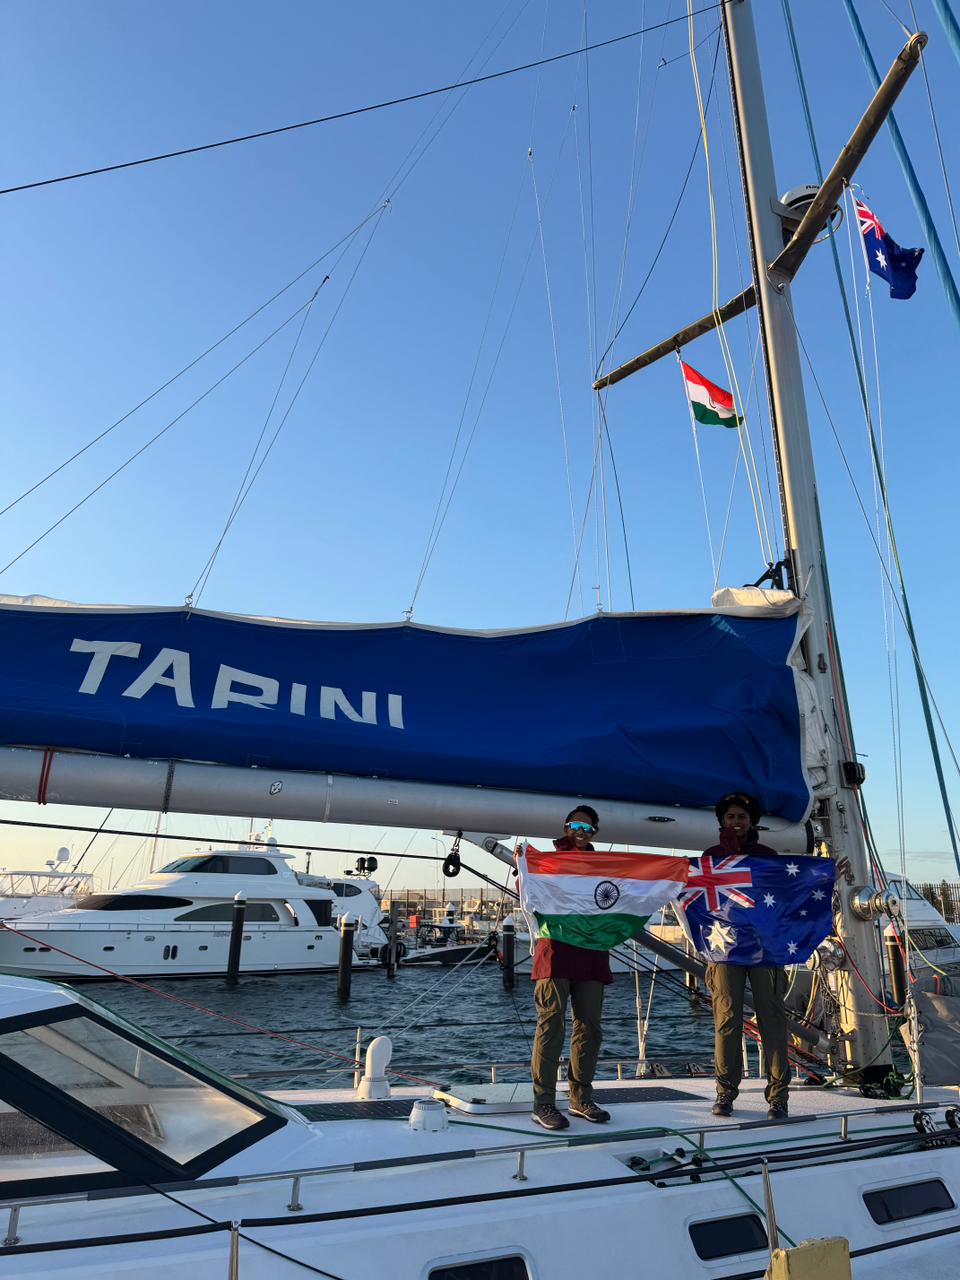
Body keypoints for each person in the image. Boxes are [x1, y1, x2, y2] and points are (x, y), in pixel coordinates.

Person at [704, 792, 791, 1121]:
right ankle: (725, 1093)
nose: (736, 822)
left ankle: (778, 1097)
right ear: (722, 822)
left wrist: (827, 877)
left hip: (764, 948)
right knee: (727, 1022)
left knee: (773, 1021)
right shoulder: (711, 857)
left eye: (742, 817)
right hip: (724, 949)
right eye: (730, 817)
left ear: (752, 820)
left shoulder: (767, 856)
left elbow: (790, 892)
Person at [530, 805, 612, 1130]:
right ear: (566, 828)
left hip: (592, 951)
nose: (581, 831)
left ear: (594, 832)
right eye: (576, 825)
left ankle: (580, 1097)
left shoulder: (604, 866)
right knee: (551, 1027)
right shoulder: (547, 861)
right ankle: (544, 1103)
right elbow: (528, 884)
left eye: (588, 827)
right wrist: (525, 862)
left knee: (589, 1027)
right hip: (557, 951)